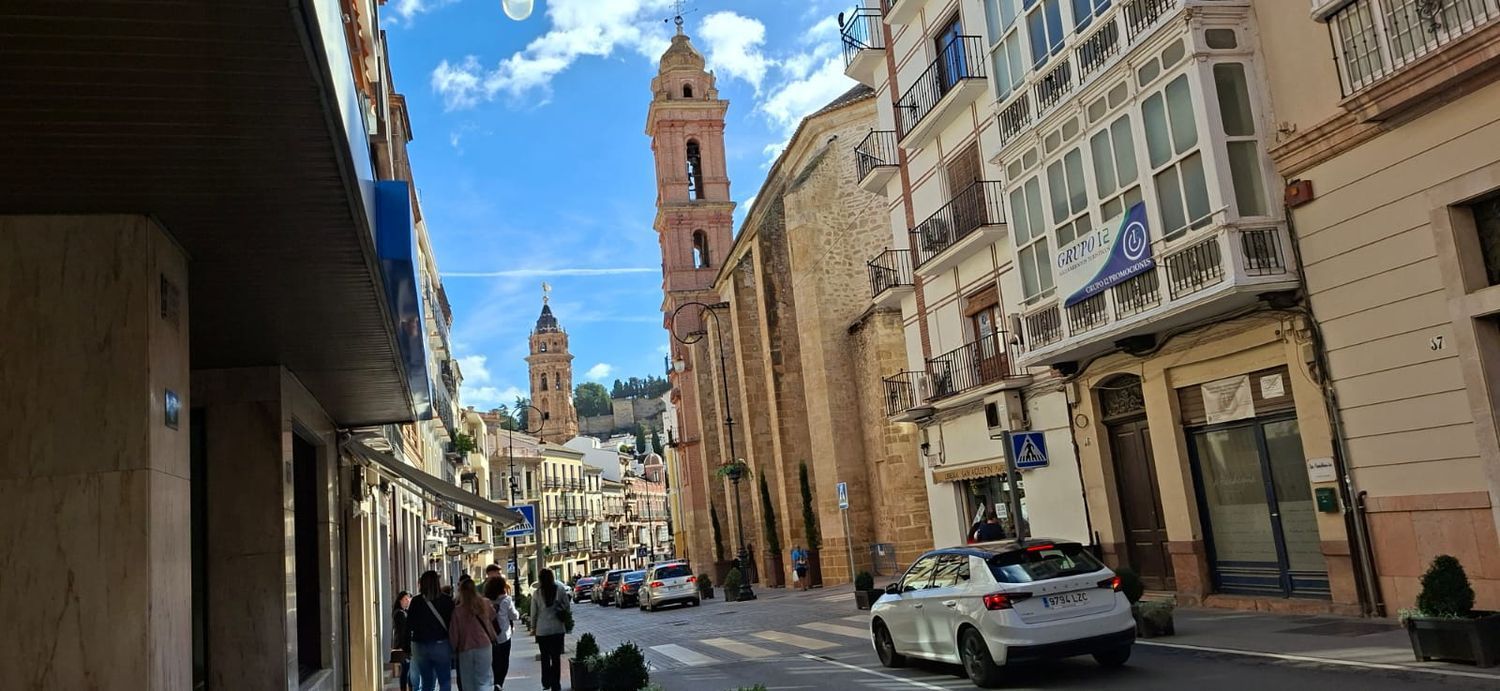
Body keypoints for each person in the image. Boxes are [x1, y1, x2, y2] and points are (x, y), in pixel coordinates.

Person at [407, 571, 455, 691]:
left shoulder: (416, 601)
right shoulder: (447, 600)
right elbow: (452, 624)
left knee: (427, 681)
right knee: (444, 681)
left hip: (420, 645)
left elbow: (409, 625)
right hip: (441, 644)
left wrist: (406, 647)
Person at [450, 578, 497, 691]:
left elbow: (454, 634)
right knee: (484, 679)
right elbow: (493, 616)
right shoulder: (485, 603)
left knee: (468, 681)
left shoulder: (457, 611)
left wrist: (452, 649)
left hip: (465, 648)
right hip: (484, 645)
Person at [530, 569, 571, 691]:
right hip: (557, 629)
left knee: (545, 657)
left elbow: (533, 613)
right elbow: (567, 606)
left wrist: (533, 627)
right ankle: (556, 684)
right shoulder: (560, 590)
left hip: (542, 630)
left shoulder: (537, 593)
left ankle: (546, 681)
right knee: (556, 657)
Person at [485, 576, 520, 690]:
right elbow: (514, 616)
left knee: (494, 661)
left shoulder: (485, 601)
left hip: (490, 636)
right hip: (504, 636)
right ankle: (499, 683)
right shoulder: (506, 600)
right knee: (504, 661)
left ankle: (496, 682)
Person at [393, 591, 413, 691]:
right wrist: (402, 646)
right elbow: (402, 632)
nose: (407, 601)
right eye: (405, 599)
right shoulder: (400, 614)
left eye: (408, 599)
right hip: (403, 646)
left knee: (408, 670)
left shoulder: (405, 612)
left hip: (406, 646)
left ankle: (408, 688)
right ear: (400, 600)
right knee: (406, 670)